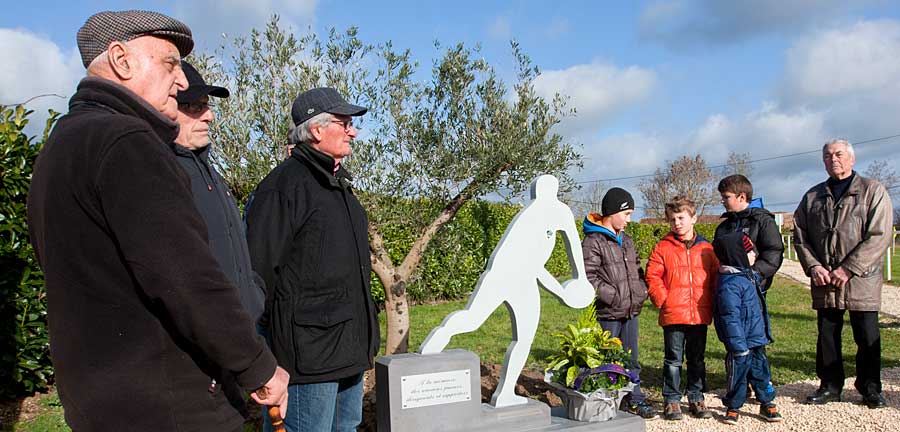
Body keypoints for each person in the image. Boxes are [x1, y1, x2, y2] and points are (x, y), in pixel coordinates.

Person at [26, 10, 287, 431]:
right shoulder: (128, 143)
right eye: (170, 63)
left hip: (99, 403)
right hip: (168, 408)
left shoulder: (59, 147)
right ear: (121, 60)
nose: (182, 81)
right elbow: (187, 279)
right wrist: (258, 365)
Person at [245, 87, 381, 432]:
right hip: (306, 361)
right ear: (316, 129)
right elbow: (257, 274)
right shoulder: (284, 187)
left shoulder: (339, 187)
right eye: (344, 122)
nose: (353, 131)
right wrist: (262, 356)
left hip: (347, 353)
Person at [419, 175, 595, 407]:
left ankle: (503, 394)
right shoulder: (537, 216)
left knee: (513, 334)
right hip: (507, 276)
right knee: (479, 322)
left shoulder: (553, 212)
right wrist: (563, 293)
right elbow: (536, 265)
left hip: (519, 280)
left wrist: (580, 277)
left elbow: (572, 243)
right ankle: (431, 350)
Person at [173, 60, 268, 417]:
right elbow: (184, 280)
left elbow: (238, 254)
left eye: (208, 106)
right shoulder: (165, 175)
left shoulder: (210, 173)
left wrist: (253, 297)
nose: (209, 116)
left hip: (230, 351)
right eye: (196, 107)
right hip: (195, 368)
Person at [793, 138, 893, 409]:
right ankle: (829, 385)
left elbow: (879, 234)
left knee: (867, 334)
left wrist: (848, 268)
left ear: (851, 158)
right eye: (827, 156)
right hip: (825, 279)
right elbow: (800, 236)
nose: (832, 159)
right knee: (827, 334)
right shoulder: (812, 196)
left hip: (861, 278)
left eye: (838, 154)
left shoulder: (872, 191)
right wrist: (814, 266)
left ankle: (871, 388)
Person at [582, 187, 657, 419]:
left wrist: (641, 290)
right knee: (608, 361)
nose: (629, 220)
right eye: (627, 214)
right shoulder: (593, 241)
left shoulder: (628, 241)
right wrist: (613, 297)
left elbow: (636, 270)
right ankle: (606, 402)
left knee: (631, 358)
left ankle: (634, 399)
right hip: (609, 313)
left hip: (631, 311)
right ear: (613, 212)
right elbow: (589, 277)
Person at [646, 196, 718, 421]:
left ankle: (696, 396)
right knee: (673, 360)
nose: (677, 223)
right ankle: (672, 399)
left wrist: (714, 301)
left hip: (699, 312)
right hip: (674, 313)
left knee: (697, 358)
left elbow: (715, 276)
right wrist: (663, 299)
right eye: (672, 219)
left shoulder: (707, 248)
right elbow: (652, 275)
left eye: (681, 218)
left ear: (693, 218)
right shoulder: (663, 247)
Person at [712, 232, 782, 425]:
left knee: (761, 372)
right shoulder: (730, 285)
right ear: (737, 255)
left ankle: (766, 402)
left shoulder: (748, 275)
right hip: (740, 344)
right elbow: (729, 318)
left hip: (756, 337)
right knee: (738, 375)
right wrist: (737, 346)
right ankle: (733, 405)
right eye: (750, 251)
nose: (755, 255)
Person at [715, 174, 784, 294]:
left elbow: (773, 253)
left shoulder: (763, 221)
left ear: (742, 197)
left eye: (726, 197)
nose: (722, 201)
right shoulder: (723, 227)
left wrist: (753, 274)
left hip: (754, 290)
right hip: (727, 288)